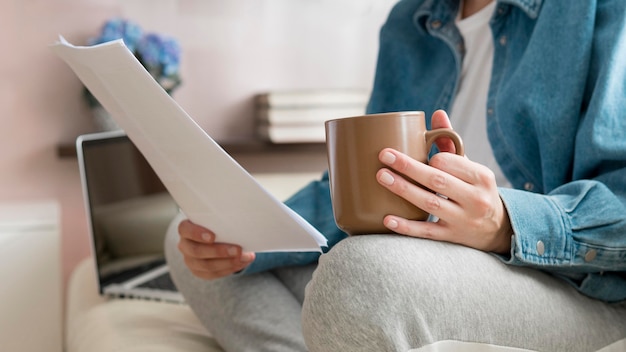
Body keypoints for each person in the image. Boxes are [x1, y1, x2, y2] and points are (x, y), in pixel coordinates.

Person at [164, 0, 626, 350]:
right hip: (414, 262)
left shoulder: (597, 12)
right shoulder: (410, 20)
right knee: (195, 237)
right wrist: (258, 232)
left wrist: (505, 224)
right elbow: (368, 184)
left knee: (360, 276)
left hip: (572, 286)